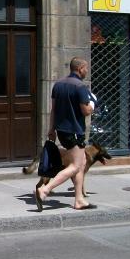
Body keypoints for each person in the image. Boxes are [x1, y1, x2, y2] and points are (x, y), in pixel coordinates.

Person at [35, 57, 95, 211]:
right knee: (75, 166)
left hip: (61, 130)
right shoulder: (80, 87)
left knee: (80, 164)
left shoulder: (58, 85)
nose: (87, 71)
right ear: (80, 68)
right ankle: (45, 190)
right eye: (86, 68)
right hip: (75, 131)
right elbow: (86, 111)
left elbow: (53, 109)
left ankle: (79, 200)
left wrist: (51, 129)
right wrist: (93, 105)